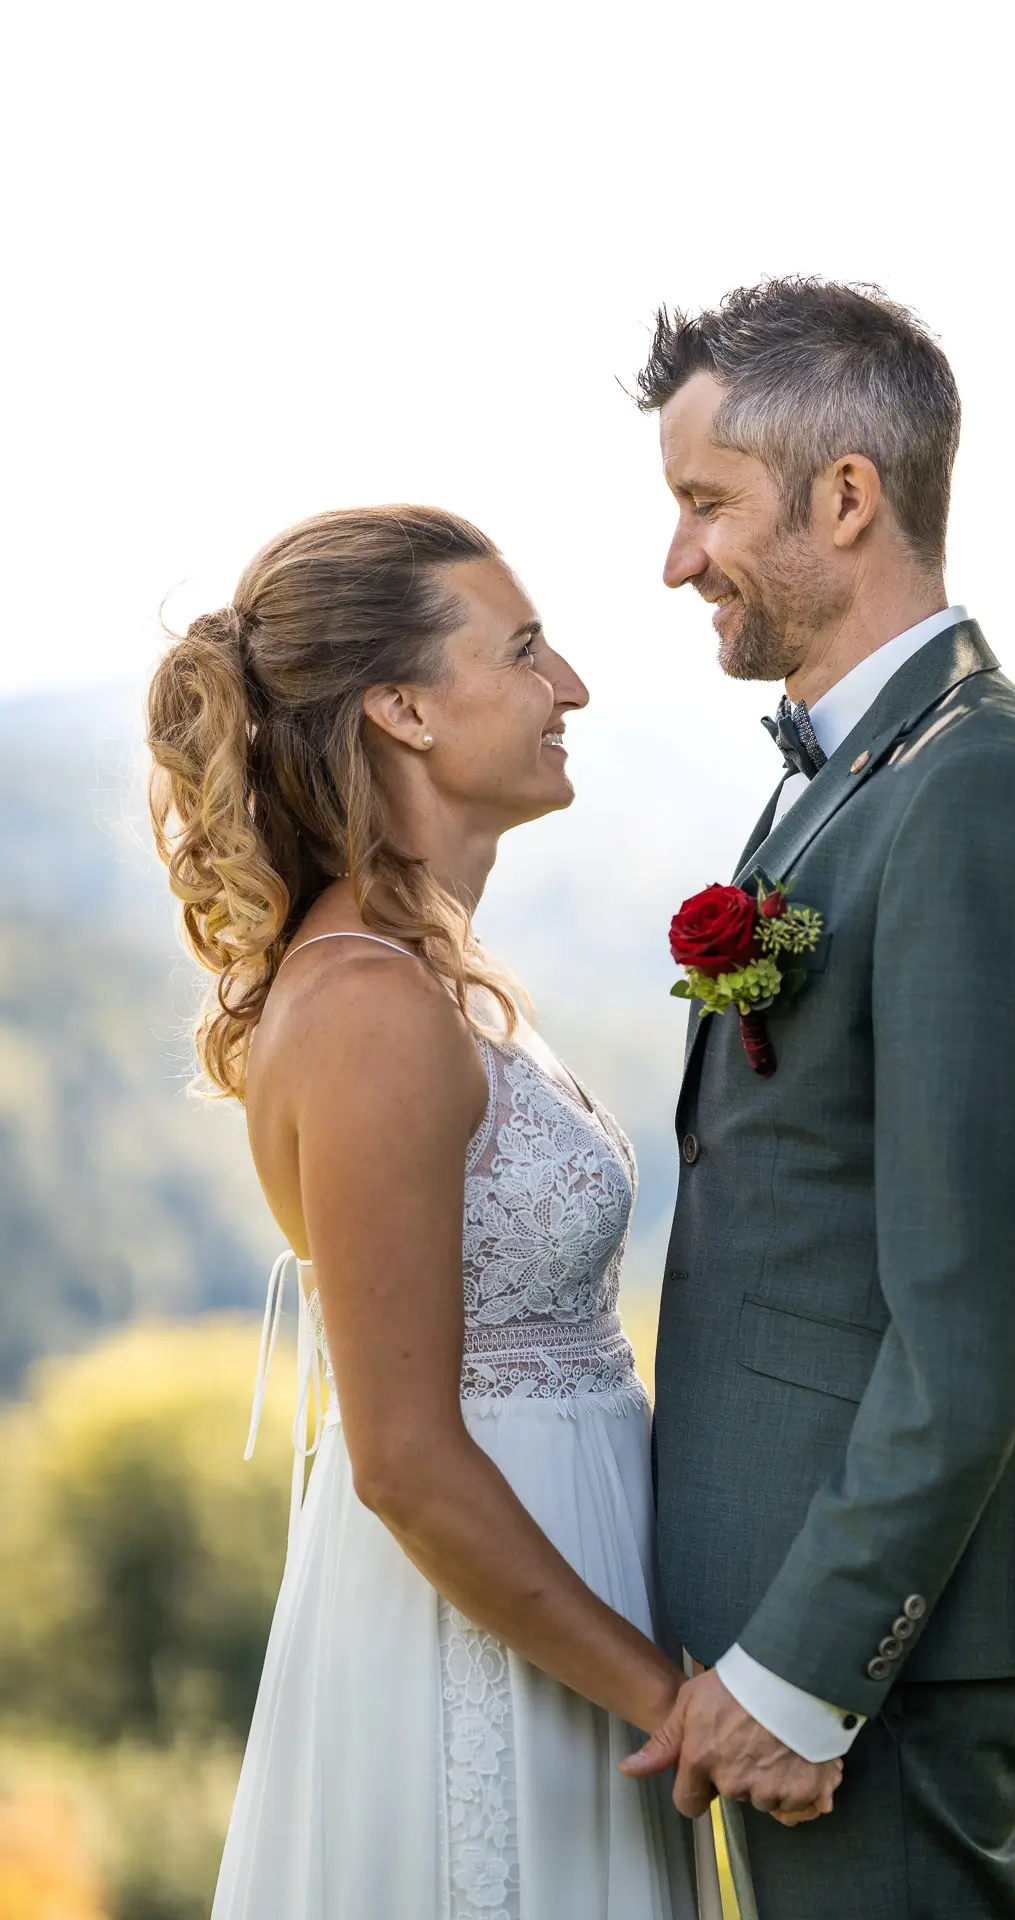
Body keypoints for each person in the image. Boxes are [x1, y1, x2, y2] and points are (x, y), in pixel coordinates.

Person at [145, 506, 759, 1918]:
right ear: (404, 707)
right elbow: (405, 1459)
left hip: (568, 1604)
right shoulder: (367, 1008)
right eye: (527, 650)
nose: (574, 689)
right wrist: (666, 1704)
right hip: (489, 1650)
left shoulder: (434, 980)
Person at [620, 280, 1015, 1919]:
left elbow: (975, 1312)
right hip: (796, 1609)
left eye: (707, 504)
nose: (677, 558)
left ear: (846, 499)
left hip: (878, 1655)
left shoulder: (978, 791)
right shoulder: (853, 776)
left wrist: (800, 1672)